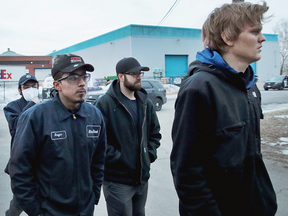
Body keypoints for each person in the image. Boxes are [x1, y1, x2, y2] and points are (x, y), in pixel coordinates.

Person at [170, 2, 277, 216]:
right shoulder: (199, 89)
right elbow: (187, 172)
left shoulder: (249, 86)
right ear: (228, 37)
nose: (262, 38)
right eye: (254, 32)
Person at [9, 53, 107, 216]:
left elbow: (98, 162)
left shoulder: (95, 116)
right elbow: (20, 171)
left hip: (85, 209)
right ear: (57, 85)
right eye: (73, 78)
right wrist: (36, 211)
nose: (82, 83)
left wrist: (93, 196)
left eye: (84, 77)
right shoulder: (36, 117)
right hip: (50, 210)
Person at [95, 57, 161, 216]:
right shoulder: (105, 104)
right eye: (134, 74)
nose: (139, 77)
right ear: (121, 77)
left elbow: (154, 134)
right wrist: (120, 158)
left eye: (140, 73)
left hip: (141, 179)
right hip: (117, 182)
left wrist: (148, 155)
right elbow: (97, 142)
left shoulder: (145, 102)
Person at [4, 74, 40, 216]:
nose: (31, 89)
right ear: (20, 90)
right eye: (27, 87)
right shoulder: (11, 107)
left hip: (41, 162)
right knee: (20, 200)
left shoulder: (44, 105)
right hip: (21, 162)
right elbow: (16, 128)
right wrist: (32, 104)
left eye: (34, 86)